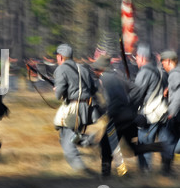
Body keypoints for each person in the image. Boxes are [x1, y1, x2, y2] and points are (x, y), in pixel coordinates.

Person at [90, 55, 164, 177]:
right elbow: (134, 89)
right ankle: (161, 146)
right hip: (128, 116)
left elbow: (116, 101)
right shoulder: (117, 77)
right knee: (132, 148)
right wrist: (129, 105)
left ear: (101, 69)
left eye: (96, 69)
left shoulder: (106, 78)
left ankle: (105, 176)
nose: (95, 71)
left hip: (118, 117)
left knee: (105, 145)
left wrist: (108, 112)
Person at [53, 44, 97, 173]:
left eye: (57, 56)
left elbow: (58, 94)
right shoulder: (83, 68)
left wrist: (57, 90)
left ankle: (81, 170)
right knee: (66, 135)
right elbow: (93, 89)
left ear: (61, 57)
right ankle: (89, 140)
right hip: (86, 107)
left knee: (68, 144)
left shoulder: (61, 70)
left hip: (73, 108)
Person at [130, 43, 173, 174]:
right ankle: (166, 171)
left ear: (142, 58)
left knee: (145, 144)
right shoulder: (162, 72)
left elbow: (136, 95)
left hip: (149, 114)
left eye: (137, 57)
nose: (136, 59)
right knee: (165, 143)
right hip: (164, 113)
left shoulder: (144, 72)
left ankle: (145, 174)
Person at [160, 50, 180, 173]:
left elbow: (178, 96)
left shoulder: (174, 74)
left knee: (167, 140)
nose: (163, 66)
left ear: (168, 61)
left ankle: (166, 170)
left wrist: (171, 113)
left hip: (177, 114)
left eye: (163, 63)